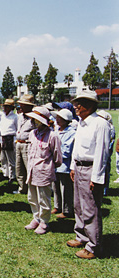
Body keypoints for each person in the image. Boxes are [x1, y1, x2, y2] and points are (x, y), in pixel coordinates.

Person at [67, 90, 110, 259]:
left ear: (91, 105)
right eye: (76, 103)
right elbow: (77, 149)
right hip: (78, 167)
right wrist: (72, 166)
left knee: (91, 208)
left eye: (80, 103)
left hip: (91, 168)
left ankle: (93, 246)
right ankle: (82, 236)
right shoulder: (81, 123)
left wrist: (96, 177)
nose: (76, 106)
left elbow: (102, 152)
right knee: (78, 205)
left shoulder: (100, 124)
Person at [24, 106, 62, 234]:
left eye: (36, 119)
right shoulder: (32, 134)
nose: (34, 122)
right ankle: (36, 217)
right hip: (32, 170)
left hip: (44, 171)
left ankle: (44, 221)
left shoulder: (52, 135)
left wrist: (48, 166)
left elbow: (57, 157)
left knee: (43, 198)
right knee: (32, 197)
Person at [53, 108, 76, 219]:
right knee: (56, 186)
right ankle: (57, 206)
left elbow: (66, 150)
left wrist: (54, 151)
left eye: (60, 118)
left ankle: (67, 210)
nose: (57, 120)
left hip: (64, 165)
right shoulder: (56, 130)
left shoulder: (71, 133)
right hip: (55, 165)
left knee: (65, 188)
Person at [15, 94, 36, 194]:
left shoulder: (33, 118)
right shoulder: (19, 117)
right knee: (19, 168)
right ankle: (22, 187)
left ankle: (31, 188)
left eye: (24, 105)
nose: (21, 107)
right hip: (18, 144)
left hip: (28, 144)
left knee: (28, 167)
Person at [0, 99, 18, 183]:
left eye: (7, 107)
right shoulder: (2, 116)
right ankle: (5, 174)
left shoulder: (15, 117)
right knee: (3, 158)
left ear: (11, 108)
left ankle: (12, 175)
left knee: (11, 159)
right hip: (2, 138)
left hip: (10, 138)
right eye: (4, 106)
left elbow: (17, 129)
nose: (5, 108)